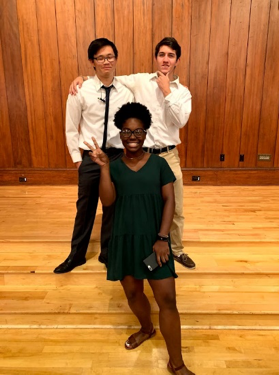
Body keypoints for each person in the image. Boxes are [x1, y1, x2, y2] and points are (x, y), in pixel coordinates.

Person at [84, 102, 195, 375]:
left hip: (154, 242)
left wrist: (162, 238)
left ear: (146, 132)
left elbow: (170, 201)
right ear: (120, 133)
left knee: (167, 299)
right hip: (124, 240)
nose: (132, 137)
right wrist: (104, 168)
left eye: (138, 132)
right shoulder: (115, 166)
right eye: (126, 132)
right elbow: (108, 201)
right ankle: (146, 328)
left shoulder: (158, 164)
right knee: (133, 292)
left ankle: (176, 363)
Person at [69, 37, 196, 270]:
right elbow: (108, 77)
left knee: (174, 205)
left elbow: (180, 121)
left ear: (177, 60)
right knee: (140, 205)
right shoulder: (140, 80)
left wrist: (167, 92)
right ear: (156, 57)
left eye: (170, 55)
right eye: (161, 55)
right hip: (141, 155)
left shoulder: (183, 93)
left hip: (168, 155)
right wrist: (83, 78)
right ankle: (144, 246)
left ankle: (175, 249)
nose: (165, 59)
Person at [53, 38, 134, 274]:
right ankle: (76, 254)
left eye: (110, 56)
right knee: (85, 206)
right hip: (90, 156)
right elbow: (70, 127)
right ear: (92, 62)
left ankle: (108, 252)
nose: (106, 61)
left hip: (117, 156)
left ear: (116, 59)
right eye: (100, 58)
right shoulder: (80, 90)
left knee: (113, 206)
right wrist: (78, 160)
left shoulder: (126, 93)